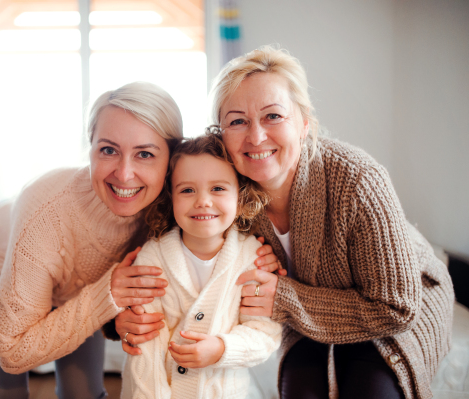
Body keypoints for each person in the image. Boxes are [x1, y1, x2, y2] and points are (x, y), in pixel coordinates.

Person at [117, 46, 455, 399]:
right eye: (237, 121)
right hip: (306, 319)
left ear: (304, 122)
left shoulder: (358, 181)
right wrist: (122, 318)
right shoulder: (224, 191)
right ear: (221, 134)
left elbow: (396, 307)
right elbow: (173, 257)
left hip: (392, 312)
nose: (256, 136)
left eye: (273, 116)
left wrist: (284, 297)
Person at [0, 81, 278, 399]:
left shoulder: (180, 201)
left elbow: (235, 216)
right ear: (90, 148)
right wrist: (107, 295)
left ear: (170, 161)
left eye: (144, 154)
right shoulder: (43, 208)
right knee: (2, 394)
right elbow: (13, 352)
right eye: (108, 150)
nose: (125, 174)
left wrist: (266, 254)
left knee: (82, 393)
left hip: (88, 289)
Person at [121, 135, 282, 399]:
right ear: (170, 197)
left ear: (239, 197)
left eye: (218, 188)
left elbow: (264, 334)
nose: (203, 201)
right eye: (187, 190)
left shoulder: (254, 258)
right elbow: (145, 343)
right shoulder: (153, 258)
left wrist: (222, 348)